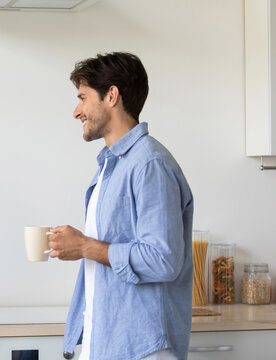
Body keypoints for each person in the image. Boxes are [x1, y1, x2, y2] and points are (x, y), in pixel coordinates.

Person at [48, 52, 193, 360]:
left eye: (83, 98)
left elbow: (163, 259)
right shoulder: (111, 166)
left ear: (111, 95)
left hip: (143, 347)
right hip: (111, 340)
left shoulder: (149, 165)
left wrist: (86, 247)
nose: (77, 111)